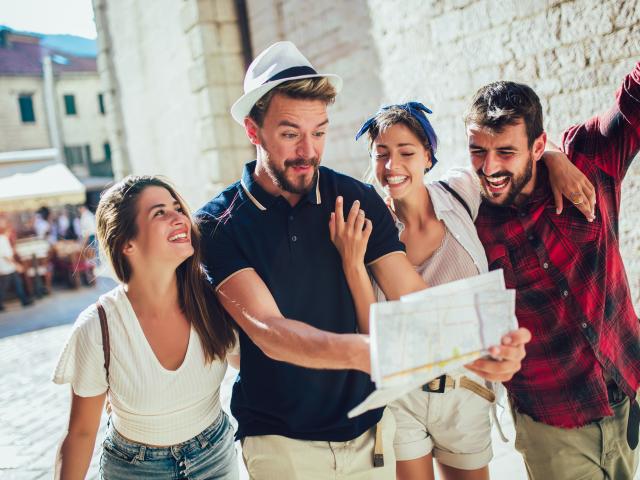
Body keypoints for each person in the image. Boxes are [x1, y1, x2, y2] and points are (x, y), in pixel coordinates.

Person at [196, 41, 530, 480]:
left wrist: (479, 347)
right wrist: (374, 352)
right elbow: (270, 332)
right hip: (280, 441)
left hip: (369, 436)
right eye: (290, 133)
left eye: (319, 132)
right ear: (252, 130)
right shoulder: (219, 223)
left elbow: (412, 296)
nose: (308, 151)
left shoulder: (354, 197)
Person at [330, 102, 593, 480]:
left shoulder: (458, 193)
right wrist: (353, 264)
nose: (392, 166)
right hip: (402, 396)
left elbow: (510, 161)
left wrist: (554, 158)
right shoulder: (368, 229)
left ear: (428, 157)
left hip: (465, 389)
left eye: (406, 152)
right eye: (381, 155)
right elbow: (375, 338)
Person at [457, 63, 640, 479]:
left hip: (625, 390)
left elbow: (634, 101)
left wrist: (560, 155)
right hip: (553, 423)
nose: (489, 168)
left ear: (539, 145)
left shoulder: (589, 161)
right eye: (477, 152)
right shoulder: (469, 217)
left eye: (506, 152)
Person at [52, 176, 239, 479]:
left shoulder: (213, 301)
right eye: (159, 212)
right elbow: (81, 434)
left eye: (177, 208)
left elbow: (255, 366)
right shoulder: (99, 326)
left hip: (215, 457)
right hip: (135, 468)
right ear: (127, 243)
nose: (178, 217)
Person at [0, 216, 32, 311]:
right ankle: (23, 300)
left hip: (7, 266)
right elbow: (6, 256)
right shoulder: (2, 239)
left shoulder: (3, 239)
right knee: (4, 287)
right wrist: (16, 265)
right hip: (6, 266)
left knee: (17, 283)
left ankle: (24, 300)